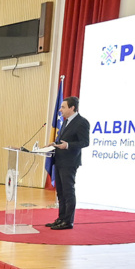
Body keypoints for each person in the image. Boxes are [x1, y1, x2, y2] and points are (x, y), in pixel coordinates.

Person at [47, 97, 88, 230]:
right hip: (59, 160)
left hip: (70, 162)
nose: (60, 110)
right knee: (60, 192)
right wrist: (54, 144)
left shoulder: (82, 122)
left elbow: (85, 142)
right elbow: (62, 140)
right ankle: (61, 218)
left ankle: (68, 221)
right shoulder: (65, 122)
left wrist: (68, 145)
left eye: (63, 107)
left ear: (72, 108)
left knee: (68, 191)